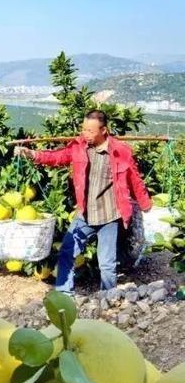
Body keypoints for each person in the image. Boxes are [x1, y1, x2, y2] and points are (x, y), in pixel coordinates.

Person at [15, 110, 152, 294]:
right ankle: (64, 294)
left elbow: (134, 179)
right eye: (83, 129)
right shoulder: (79, 147)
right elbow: (57, 157)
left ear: (104, 130)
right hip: (85, 213)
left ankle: (108, 297)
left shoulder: (121, 151)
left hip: (109, 215)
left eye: (90, 131)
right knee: (66, 252)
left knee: (107, 263)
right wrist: (32, 154)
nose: (85, 134)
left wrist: (145, 203)